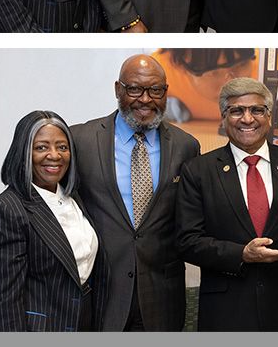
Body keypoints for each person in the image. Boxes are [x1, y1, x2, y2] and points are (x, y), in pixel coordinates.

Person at [176, 77, 278, 331]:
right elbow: (188, 242)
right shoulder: (198, 170)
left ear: (269, 116)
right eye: (237, 111)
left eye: (256, 110)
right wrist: (241, 254)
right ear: (223, 117)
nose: (247, 119)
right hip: (225, 311)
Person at [70, 54, 200, 331]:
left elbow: (191, 215)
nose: (145, 99)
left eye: (156, 90)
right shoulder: (81, 140)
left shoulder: (186, 146)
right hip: (99, 291)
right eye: (135, 89)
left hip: (162, 296)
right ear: (118, 89)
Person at [0, 111, 107, 331]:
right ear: (23, 153)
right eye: (41, 147)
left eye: (62, 147)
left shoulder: (73, 198)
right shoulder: (6, 210)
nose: (54, 155)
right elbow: (3, 302)